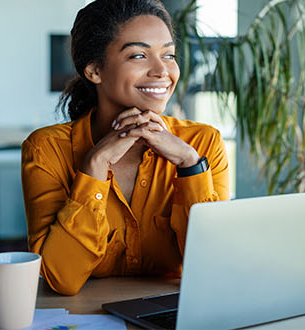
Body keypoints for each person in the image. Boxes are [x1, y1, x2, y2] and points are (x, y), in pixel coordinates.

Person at [21, 0, 231, 296]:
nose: (162, 71)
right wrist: (94, 168)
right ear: (94, 70)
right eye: (138, 55)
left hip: (173, 316)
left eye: (169, 55)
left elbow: (216, 268)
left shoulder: (202, 144)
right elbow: (60, 279)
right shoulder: (46, 149)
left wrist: (190, 166)